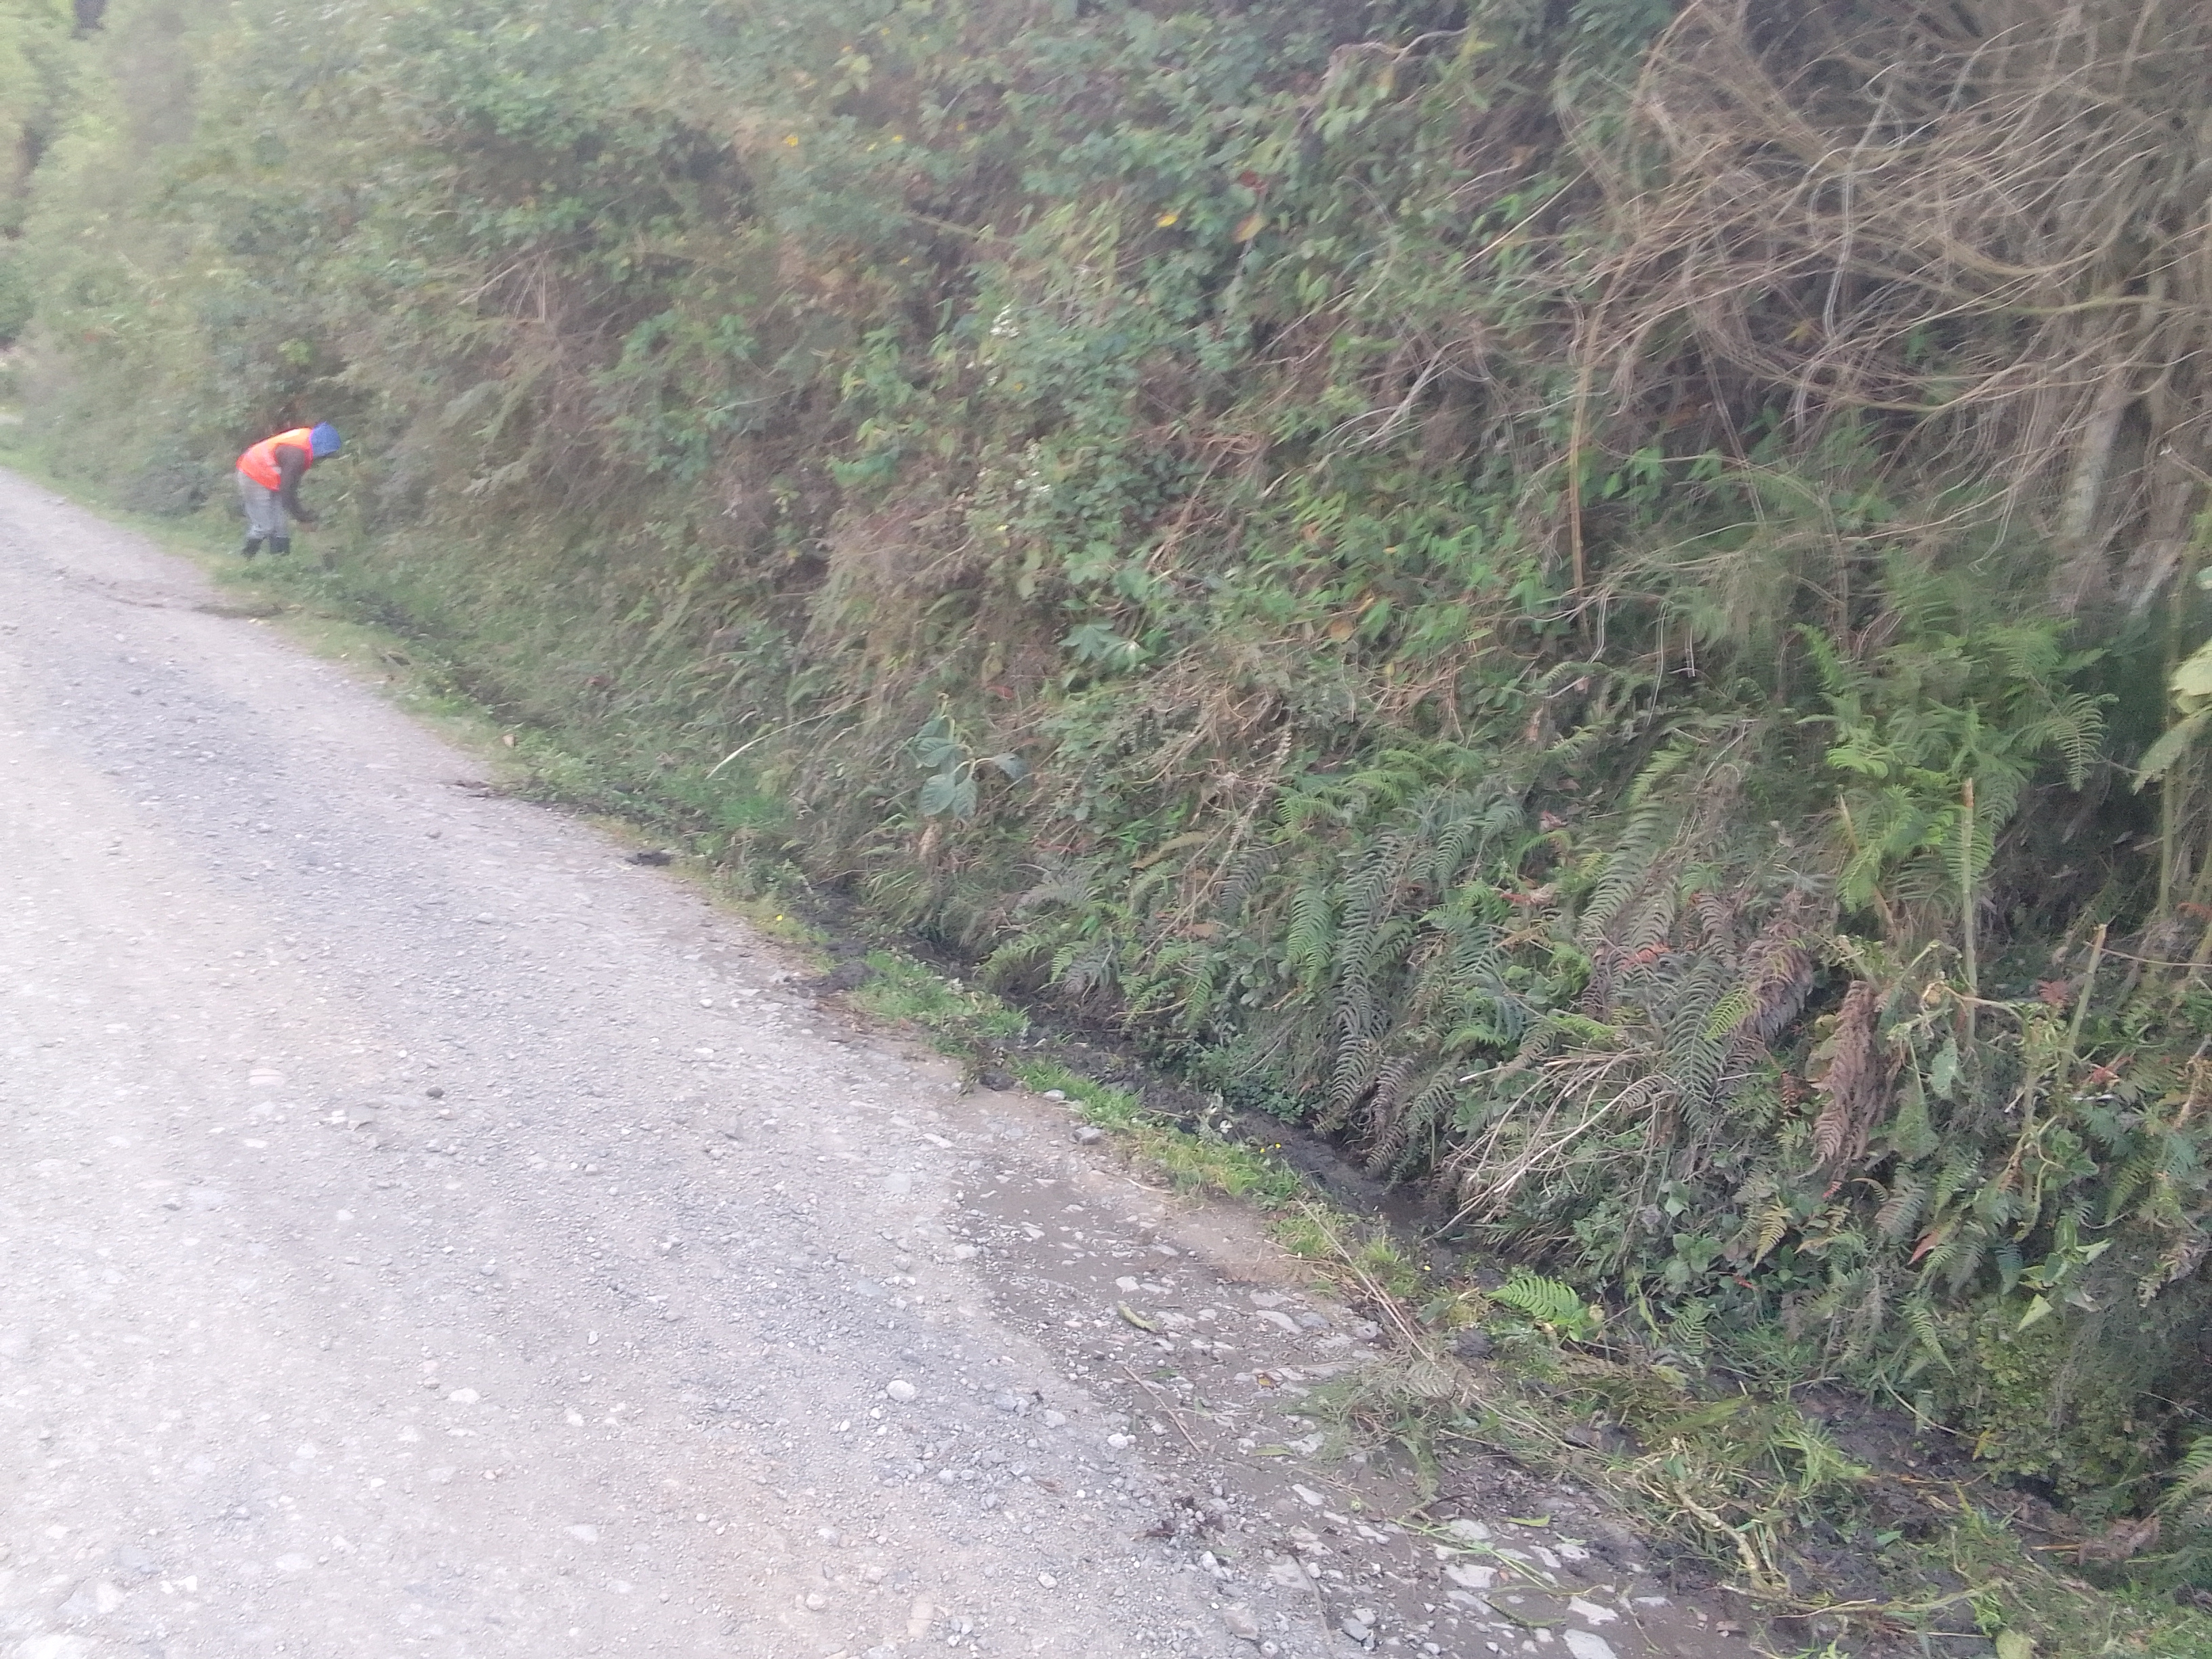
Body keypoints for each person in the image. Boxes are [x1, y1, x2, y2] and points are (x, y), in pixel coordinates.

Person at [235, 422, 342, 557]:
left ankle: (280, 563)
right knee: (264, 526)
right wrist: (302, 516)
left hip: (271, 475)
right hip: (252, 474)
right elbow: (287, 492)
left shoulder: (307, 439)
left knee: (280, 527)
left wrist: (301, 514)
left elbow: (290, 487)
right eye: (325, 455)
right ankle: (246, 559)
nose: (323, 460)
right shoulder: (296, 455)